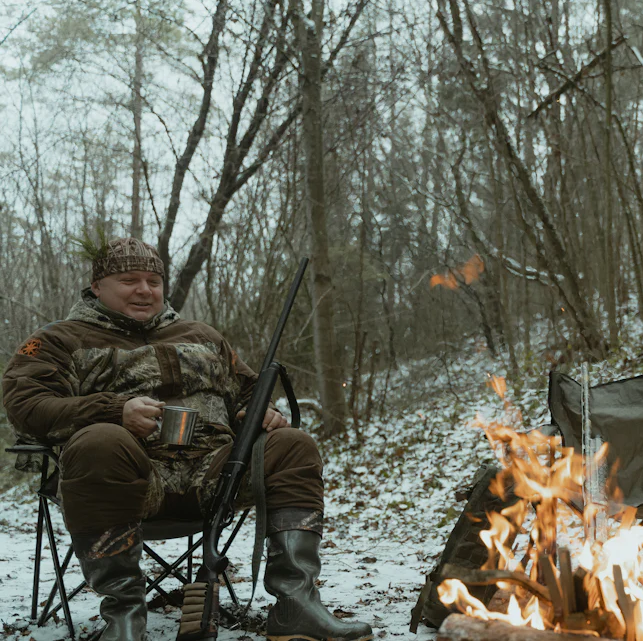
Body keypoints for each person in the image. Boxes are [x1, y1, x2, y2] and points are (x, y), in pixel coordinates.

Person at [2, 237, 373, 641]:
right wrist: (113, 412)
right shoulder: (59, 340)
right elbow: (27, 405)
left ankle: (296, 605)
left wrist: (256, 411)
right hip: (126, 483)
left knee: (294, 444)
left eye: (153, 281)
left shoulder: (202, 335)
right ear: (97, 286)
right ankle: (125, 618)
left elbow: (250, 389)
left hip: (218, 478)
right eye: (129, 280)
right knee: (100, 441)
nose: (144, 290)